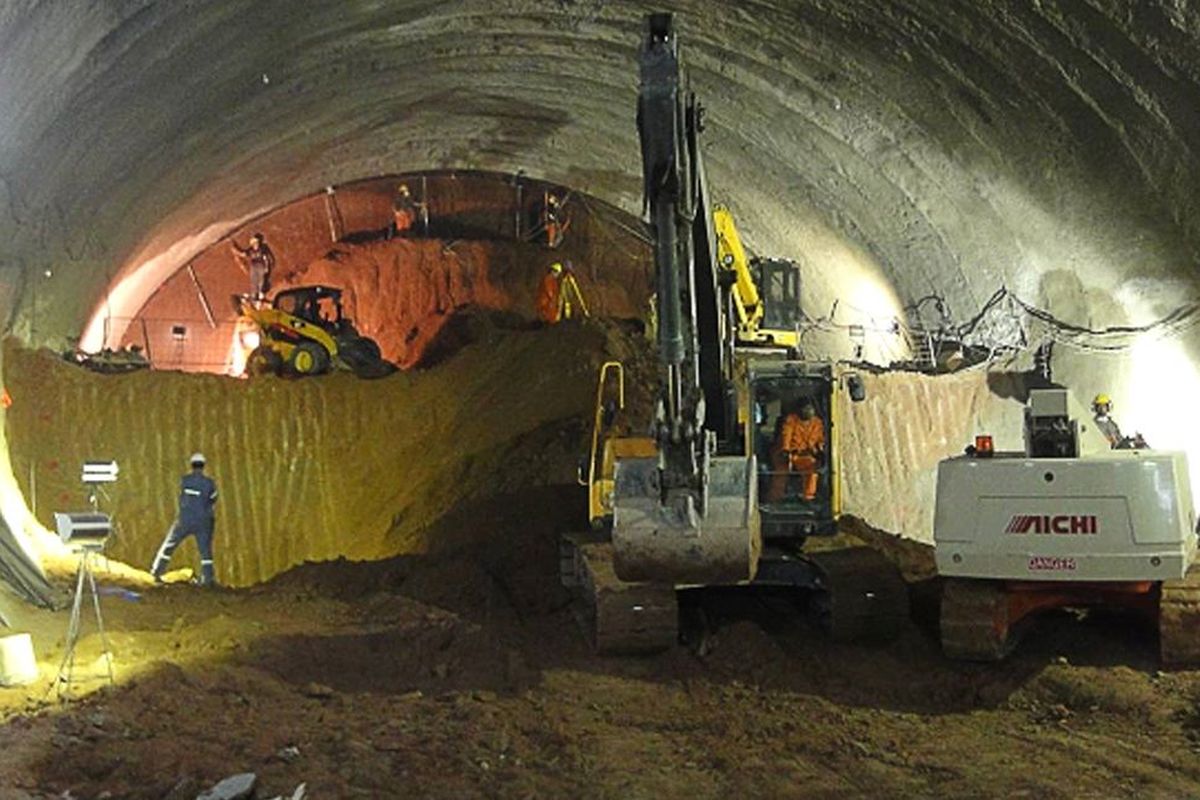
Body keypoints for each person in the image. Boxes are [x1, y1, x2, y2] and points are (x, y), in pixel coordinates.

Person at [150, 453, 219, 587]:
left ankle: (157, 572)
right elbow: (213, 499)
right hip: (203, 520)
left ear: (192, 465)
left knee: (169, 544)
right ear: (203, 466)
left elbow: (181, 497)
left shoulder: (185, 480)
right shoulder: (209, 483)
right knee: (205, 551)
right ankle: (208, 579)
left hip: (184, 519)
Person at [767, 399, 826, 502]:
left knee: (812, 470)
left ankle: (808, 498)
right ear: (799, 410)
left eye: (810, 408)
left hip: (805, 455)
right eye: (806, 408)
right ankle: (775, 499)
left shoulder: (817, 423)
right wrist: (786, 450)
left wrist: (819, 450)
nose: (809, 411)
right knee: (780, 472)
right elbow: (786, 435)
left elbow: (820, 439)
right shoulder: (791, 420)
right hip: (787, 454)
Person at [230, 232, 275, 301]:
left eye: (257, 242)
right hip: (254, 267)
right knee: (255, 282)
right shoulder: (251, 250)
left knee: (261, 280)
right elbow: (244, 253)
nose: (255, 244)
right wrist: (235, 248)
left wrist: (268, 266)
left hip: (261, 266)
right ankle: (255, 296)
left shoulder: (263, 248)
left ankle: (260, 295)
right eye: (254, 243)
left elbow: (267, 257)